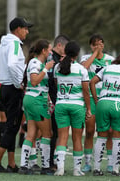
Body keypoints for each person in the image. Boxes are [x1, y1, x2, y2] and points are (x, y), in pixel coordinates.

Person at [0, 17, 33, 173]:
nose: (27, 31)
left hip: (4, 87)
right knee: (12, 126)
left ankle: (12, 164)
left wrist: (4, 79)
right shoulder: (14, 43)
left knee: (11, 126)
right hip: (12, 89)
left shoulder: (3, 44)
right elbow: (12, 64)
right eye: (25, 28)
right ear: (17, 29)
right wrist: (17, 83)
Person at [90, 52, 120, 176]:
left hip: (103, 101)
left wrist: (96, 99)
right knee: (117, 138)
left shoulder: (107, 68)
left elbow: (92, 82)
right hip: (119, 103)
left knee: (101, 137)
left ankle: (96, 168)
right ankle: (115, 169)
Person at [53, 41, 91, 176]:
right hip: (77, 106)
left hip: (61, 105)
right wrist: (89, 108)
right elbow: (86, 92)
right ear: (77, 54)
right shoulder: (82, 69)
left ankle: (60, 169)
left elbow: (57, 85)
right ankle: (76, 170)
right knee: (77, 138)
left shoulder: (57, 67)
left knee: (62, 137)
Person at [80, 34, 115, 172]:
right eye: (94, 44)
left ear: (104, 45)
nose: (98, 46)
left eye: (100, 43)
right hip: (90, 100)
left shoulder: (111, 60)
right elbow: (84, 69)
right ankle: (88, 162)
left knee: (109, 132)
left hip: (106, 98)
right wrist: (95, 53)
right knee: (89, 131)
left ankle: (111, 163)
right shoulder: (85, 58)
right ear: (91, 46)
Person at [19, 39, 54, 175]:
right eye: (49, 49)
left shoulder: (38, 63)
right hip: (36, 100)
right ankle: (45, 167)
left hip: (33, 99)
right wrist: (46, 69)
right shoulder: (35, 62)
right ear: (44, 51)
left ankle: (24, 166)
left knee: (31, 133)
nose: (50, 52)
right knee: (46, 134)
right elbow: (34, 81)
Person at [47, 34, 70, 170]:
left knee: (54, 132)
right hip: (51, 98)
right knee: (52, 133)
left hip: (56, 98)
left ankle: (52, 162)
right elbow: (50, 80)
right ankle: (50, 163)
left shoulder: (58, 58)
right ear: (59, 45)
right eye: (65, 48)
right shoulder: (51, 58)